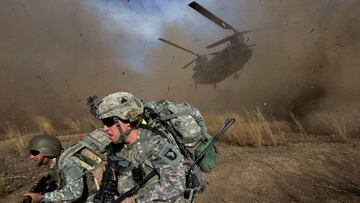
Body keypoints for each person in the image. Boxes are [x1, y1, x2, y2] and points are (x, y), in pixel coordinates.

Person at [93, 92, 188, 203]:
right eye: (103, 122)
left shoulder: (155, 143)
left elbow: (175, 185)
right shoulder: (117, 145)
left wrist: (135, 200)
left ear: (127, 121)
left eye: (109, 122)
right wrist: (102, 168)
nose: (105, 128)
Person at [24, 134, 86, 203]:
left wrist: (41, 198)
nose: (31, 157)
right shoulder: (56, 165)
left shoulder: (69, 162)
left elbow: (75, 192)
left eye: (34, 152)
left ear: (47, 151)